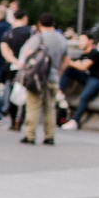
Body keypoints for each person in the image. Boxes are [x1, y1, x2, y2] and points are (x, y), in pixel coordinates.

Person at [19, 13, 68, 145]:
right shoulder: (61, 39)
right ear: (54, 24)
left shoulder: (37, 38)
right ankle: (49, 136)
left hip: (37, 78)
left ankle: (30, 135)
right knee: (50, 107)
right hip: (53, 78)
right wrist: (58, 72)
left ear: (40, 24)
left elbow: (29, 56)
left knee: (33, 106)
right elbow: (66, 59)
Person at [59, 32, 99, 130]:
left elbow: (83, 66)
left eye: (83, 40)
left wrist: (69, 61)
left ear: (91, 41)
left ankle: (75, 121)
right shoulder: (84, 55)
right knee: (69, 70)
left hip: (97, 79)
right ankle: (61, 93)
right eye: (79, 40)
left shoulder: (95, 53)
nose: (80, 43)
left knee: (84, 96)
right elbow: (77, 66)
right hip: (87, 78)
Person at [0, 9, 32, 131]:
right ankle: (22, 119)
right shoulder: (30, 32)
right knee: (27, 94)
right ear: (25, 18)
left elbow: (5, 51)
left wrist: (15, 61)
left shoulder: (8, 33)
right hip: (28, 68)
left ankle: (13, 121)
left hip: (13, 67)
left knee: (13, 92)